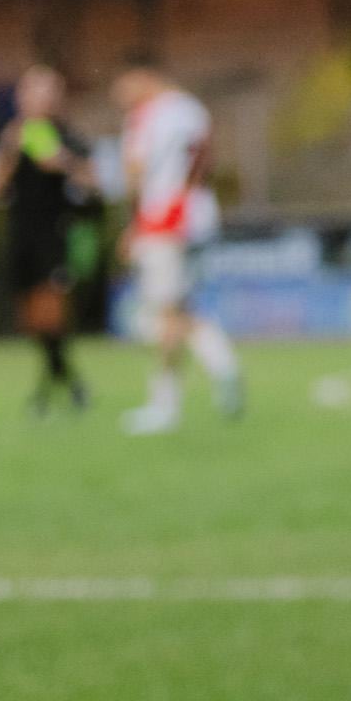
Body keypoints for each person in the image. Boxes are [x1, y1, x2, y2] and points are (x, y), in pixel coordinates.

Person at [112, 64, 244, 432]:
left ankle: (165, 405)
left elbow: (134, 170)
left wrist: (135, 223)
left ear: (142, 76)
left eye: (123, 88)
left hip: (162, 220)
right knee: (181, 308)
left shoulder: (147, 115)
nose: (121, 98)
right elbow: (207, 159)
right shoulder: (191, 109)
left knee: (163, 316)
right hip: (199, 216)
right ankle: (222, 363)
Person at [0, 63, 92, 414]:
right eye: (32, 91)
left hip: (54, 233)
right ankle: (69, 380)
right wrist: (9, 151)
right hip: (20, 233)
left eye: (46, 91)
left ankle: (48, 389)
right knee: (31, 320)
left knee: (51, 313)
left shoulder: (70, 137)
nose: (39, 98)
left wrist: (63, 163)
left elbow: (93, 183)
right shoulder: (11, 135)